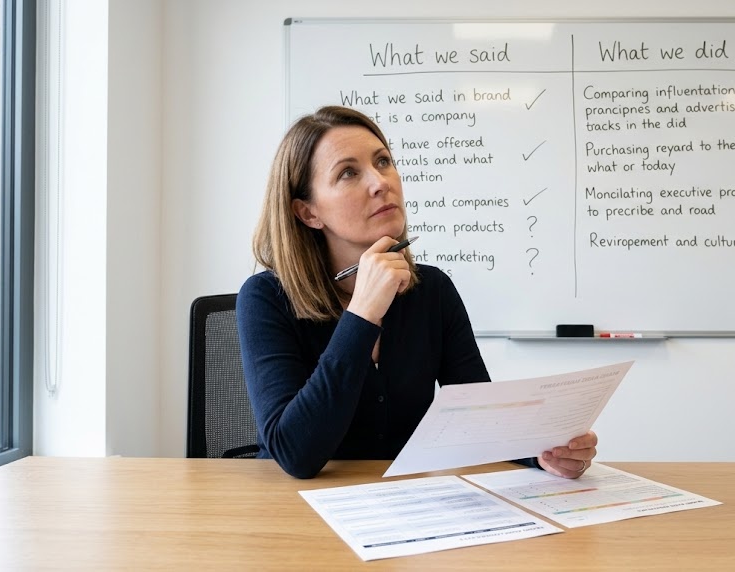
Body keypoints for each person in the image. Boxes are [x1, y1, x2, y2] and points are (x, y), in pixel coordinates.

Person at [237, 105, 598, 479]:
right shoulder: (265, 299)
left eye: (383, 161)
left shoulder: (433, 290)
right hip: (292, 510)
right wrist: (361, 315)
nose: (380, 182)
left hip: (405, 504)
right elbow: (295, 454)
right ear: (308, 213)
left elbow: (481, 417)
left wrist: (545, 451)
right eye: (348, 173)